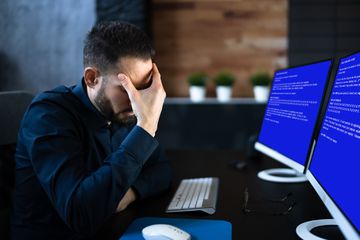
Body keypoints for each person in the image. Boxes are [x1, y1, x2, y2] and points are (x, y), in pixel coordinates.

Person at [11, 21, 172, 239]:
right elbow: (81, 214)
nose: (138, 102)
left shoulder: (122, 113)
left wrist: (129, 193)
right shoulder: (47, 116)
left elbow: (161, 169)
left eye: (143, 89)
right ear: (92, 78)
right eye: (126, 89)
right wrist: (146, 127)